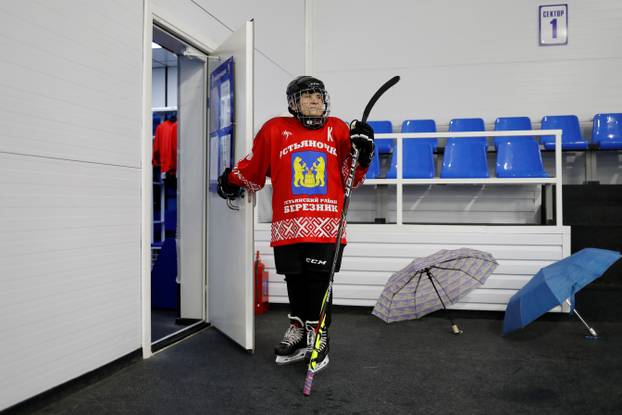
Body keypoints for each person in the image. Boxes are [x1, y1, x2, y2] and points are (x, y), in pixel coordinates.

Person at [217, 75, 374, 374]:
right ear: (293, 103)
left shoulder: (338, 129)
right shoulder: (274, 129)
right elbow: (254, 167)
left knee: (318, 283)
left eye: (319, 95)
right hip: (288, 224)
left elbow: (351, 177)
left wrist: (363, 154)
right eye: (308, 95)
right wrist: (231, 179)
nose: (315, 100)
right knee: (295, 280)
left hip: (326, 224)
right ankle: (300, 331)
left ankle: (319, 335)